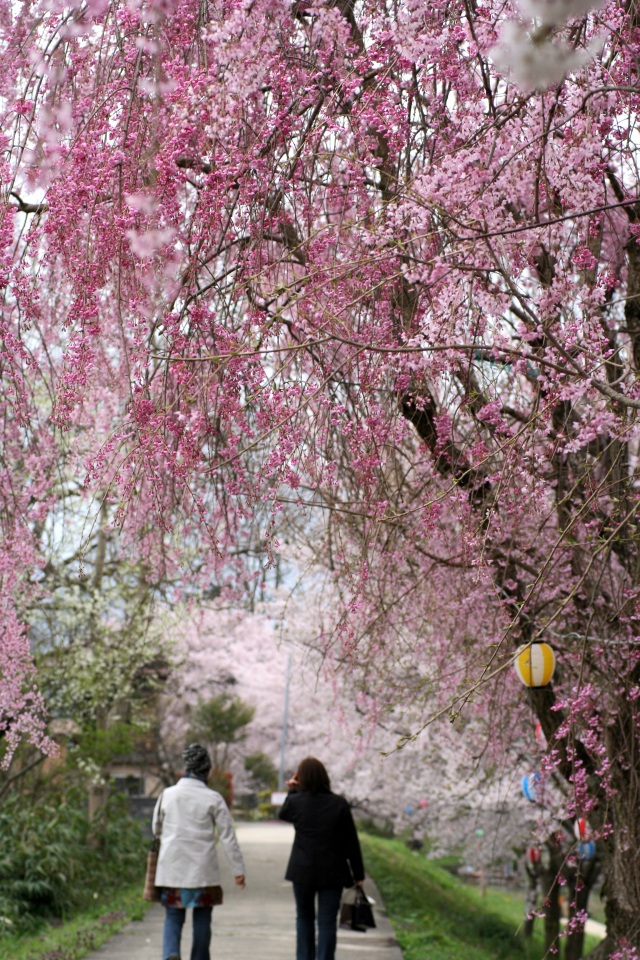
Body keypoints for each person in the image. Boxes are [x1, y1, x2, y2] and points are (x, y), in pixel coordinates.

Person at [152, 743, 246, 960]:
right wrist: (238, 870)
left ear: (186, 768)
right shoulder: (213, 798)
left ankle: (171, 953)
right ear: (207, 770)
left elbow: (155, 829)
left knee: (173, 917)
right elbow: (227, 837)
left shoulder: (167, 795)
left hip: (173, 868)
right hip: (203, 872)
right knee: (203, 919)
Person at [279, 756, 365, 960]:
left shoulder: (296, 802)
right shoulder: (339, 804)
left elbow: (283, 814)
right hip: (333, 873)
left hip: (302, 871)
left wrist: (292, 790)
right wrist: (358, 874)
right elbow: (351, 842)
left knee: (304, 918)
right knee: (326, 922)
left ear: (301, 779)